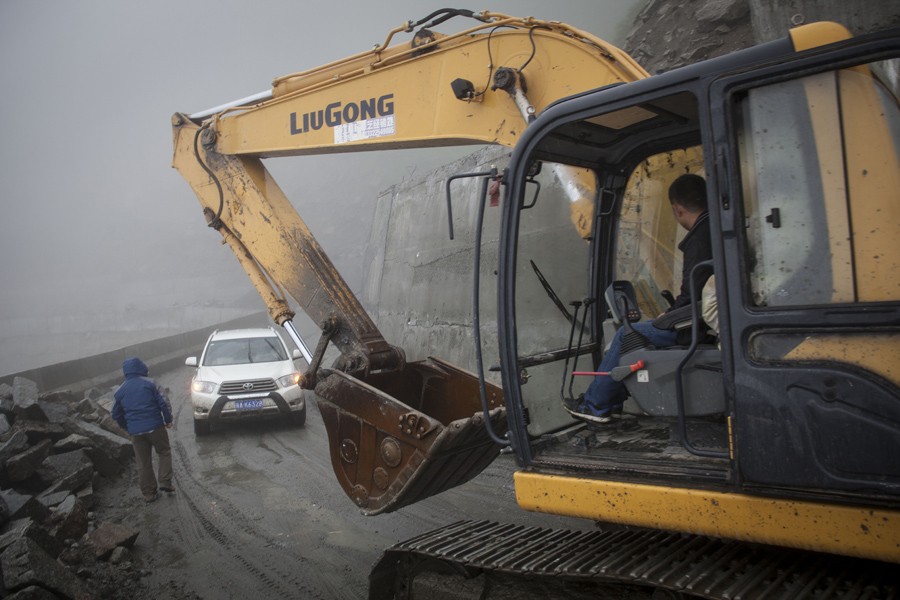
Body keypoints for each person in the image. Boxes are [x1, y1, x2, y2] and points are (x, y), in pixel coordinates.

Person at [566, 173, 713, 424]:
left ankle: (596, 405)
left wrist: (670, 317)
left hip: (695, 327)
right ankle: (612, 403)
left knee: (626, 335)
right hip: (705, 322)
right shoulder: (715, 230)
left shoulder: (700, 240)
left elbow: (692, 297)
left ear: (677, 209)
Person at [112, 357, 174, 503]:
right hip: (156, 427)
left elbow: (115, 413)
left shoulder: (121, 390)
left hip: (136, 432)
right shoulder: (151, 383)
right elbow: (164, 402)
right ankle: (165, 482)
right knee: (164, 452)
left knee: (143, 462)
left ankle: (149, 493)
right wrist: (168, 420)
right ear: (142, 368)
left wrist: (127, 426)